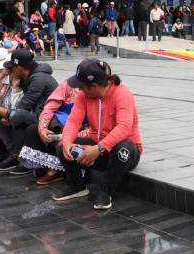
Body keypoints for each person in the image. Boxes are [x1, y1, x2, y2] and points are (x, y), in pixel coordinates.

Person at [52, 58, 142, 210]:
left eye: (81, 86)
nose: (79, 90)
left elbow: (124, 127)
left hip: (123, 154)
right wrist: (67, 142)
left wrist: (99, 148)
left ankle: (105, 191)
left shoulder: (122, 94)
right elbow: (73, 121)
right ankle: (76, 186)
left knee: (124, 149)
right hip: (97, 150)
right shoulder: (83, 96)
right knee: (62, 146)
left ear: (94, 86)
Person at [0, 48, 58, 172]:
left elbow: (23, 106)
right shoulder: (28, 77)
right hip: (36, 113)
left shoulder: (38, 78)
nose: (9, 71)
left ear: (18, 68)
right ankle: (14, 155)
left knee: (8, 114)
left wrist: (8, 114)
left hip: (48, 117)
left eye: (11, 68)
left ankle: (24, 158)